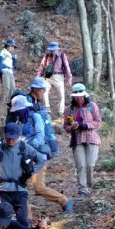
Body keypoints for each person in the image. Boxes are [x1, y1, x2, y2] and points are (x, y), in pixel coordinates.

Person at [25, 77, 73, 213]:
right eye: (42, 89)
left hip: (39, 151)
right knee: (18, 184)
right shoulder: (25, 104)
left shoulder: (39, 108)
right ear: (35, 89)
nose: (44, 92)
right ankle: (25, 214)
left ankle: (64, 201)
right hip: (26, 151)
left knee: (38, 187)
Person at [64, 83, 102, 196]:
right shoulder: (69, 109)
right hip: (77, 139)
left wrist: (84, 125)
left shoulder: (92, 106)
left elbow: (98, 122)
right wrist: (72, 127)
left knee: (90, 164)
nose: (79, 98)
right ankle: (83, 189)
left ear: (84, 95)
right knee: (80, 165)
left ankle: (89, 185)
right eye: (76, 96)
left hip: (92, 138)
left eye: (81, 96)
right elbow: (65, 126)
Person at [38, 41, 72, 117]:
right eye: (51, 50)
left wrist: (69, 78)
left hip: (58, 77)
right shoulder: (47, 56)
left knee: (61, 95)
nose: (53, 51)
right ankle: (47, 108)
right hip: (48, 77)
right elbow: (42, 66)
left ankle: (60, 111)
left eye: (54, 50)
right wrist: (38, 77)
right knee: (44, 92)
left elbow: (67, 67)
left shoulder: (62, 56)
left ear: (57, 49)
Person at [0, 38, 18, 107]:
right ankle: (2, 102)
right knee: (6, 87)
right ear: (7, 46)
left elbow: (12, 65)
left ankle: (11, 101)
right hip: (5, 71)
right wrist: (0, 69)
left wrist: (14, 59)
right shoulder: (3, 51)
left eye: (13, 47)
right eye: (11, 46)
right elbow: (1, 60)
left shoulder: (10, 54)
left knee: (13, 88)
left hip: (10, 72)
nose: (12, 48)